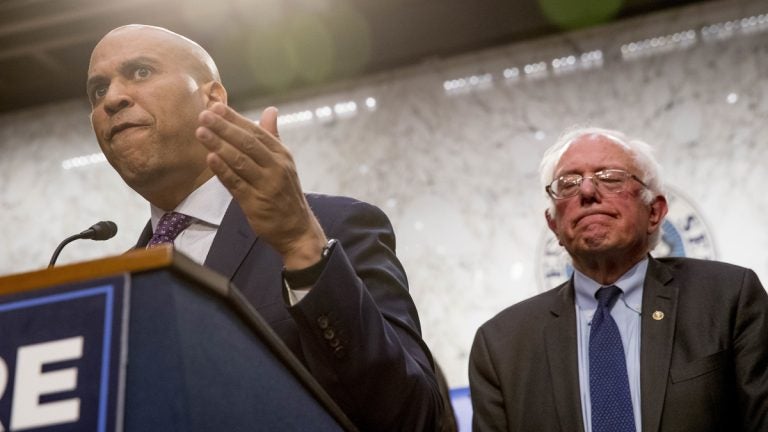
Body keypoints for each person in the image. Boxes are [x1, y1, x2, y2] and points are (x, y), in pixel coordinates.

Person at [86, 24, 445, 431]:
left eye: (141, 72)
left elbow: (415, 417)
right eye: (98, 91)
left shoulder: (331, 227)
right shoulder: (115, 288)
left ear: (212, 97)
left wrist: (301, 246)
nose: (113, 98)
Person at [469, 127, 768, 431]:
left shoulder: (728, 299)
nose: (587, 192)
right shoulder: (501, 346)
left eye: (610, 178)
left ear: (654, 212)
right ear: (554, 225)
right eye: (569, 183)